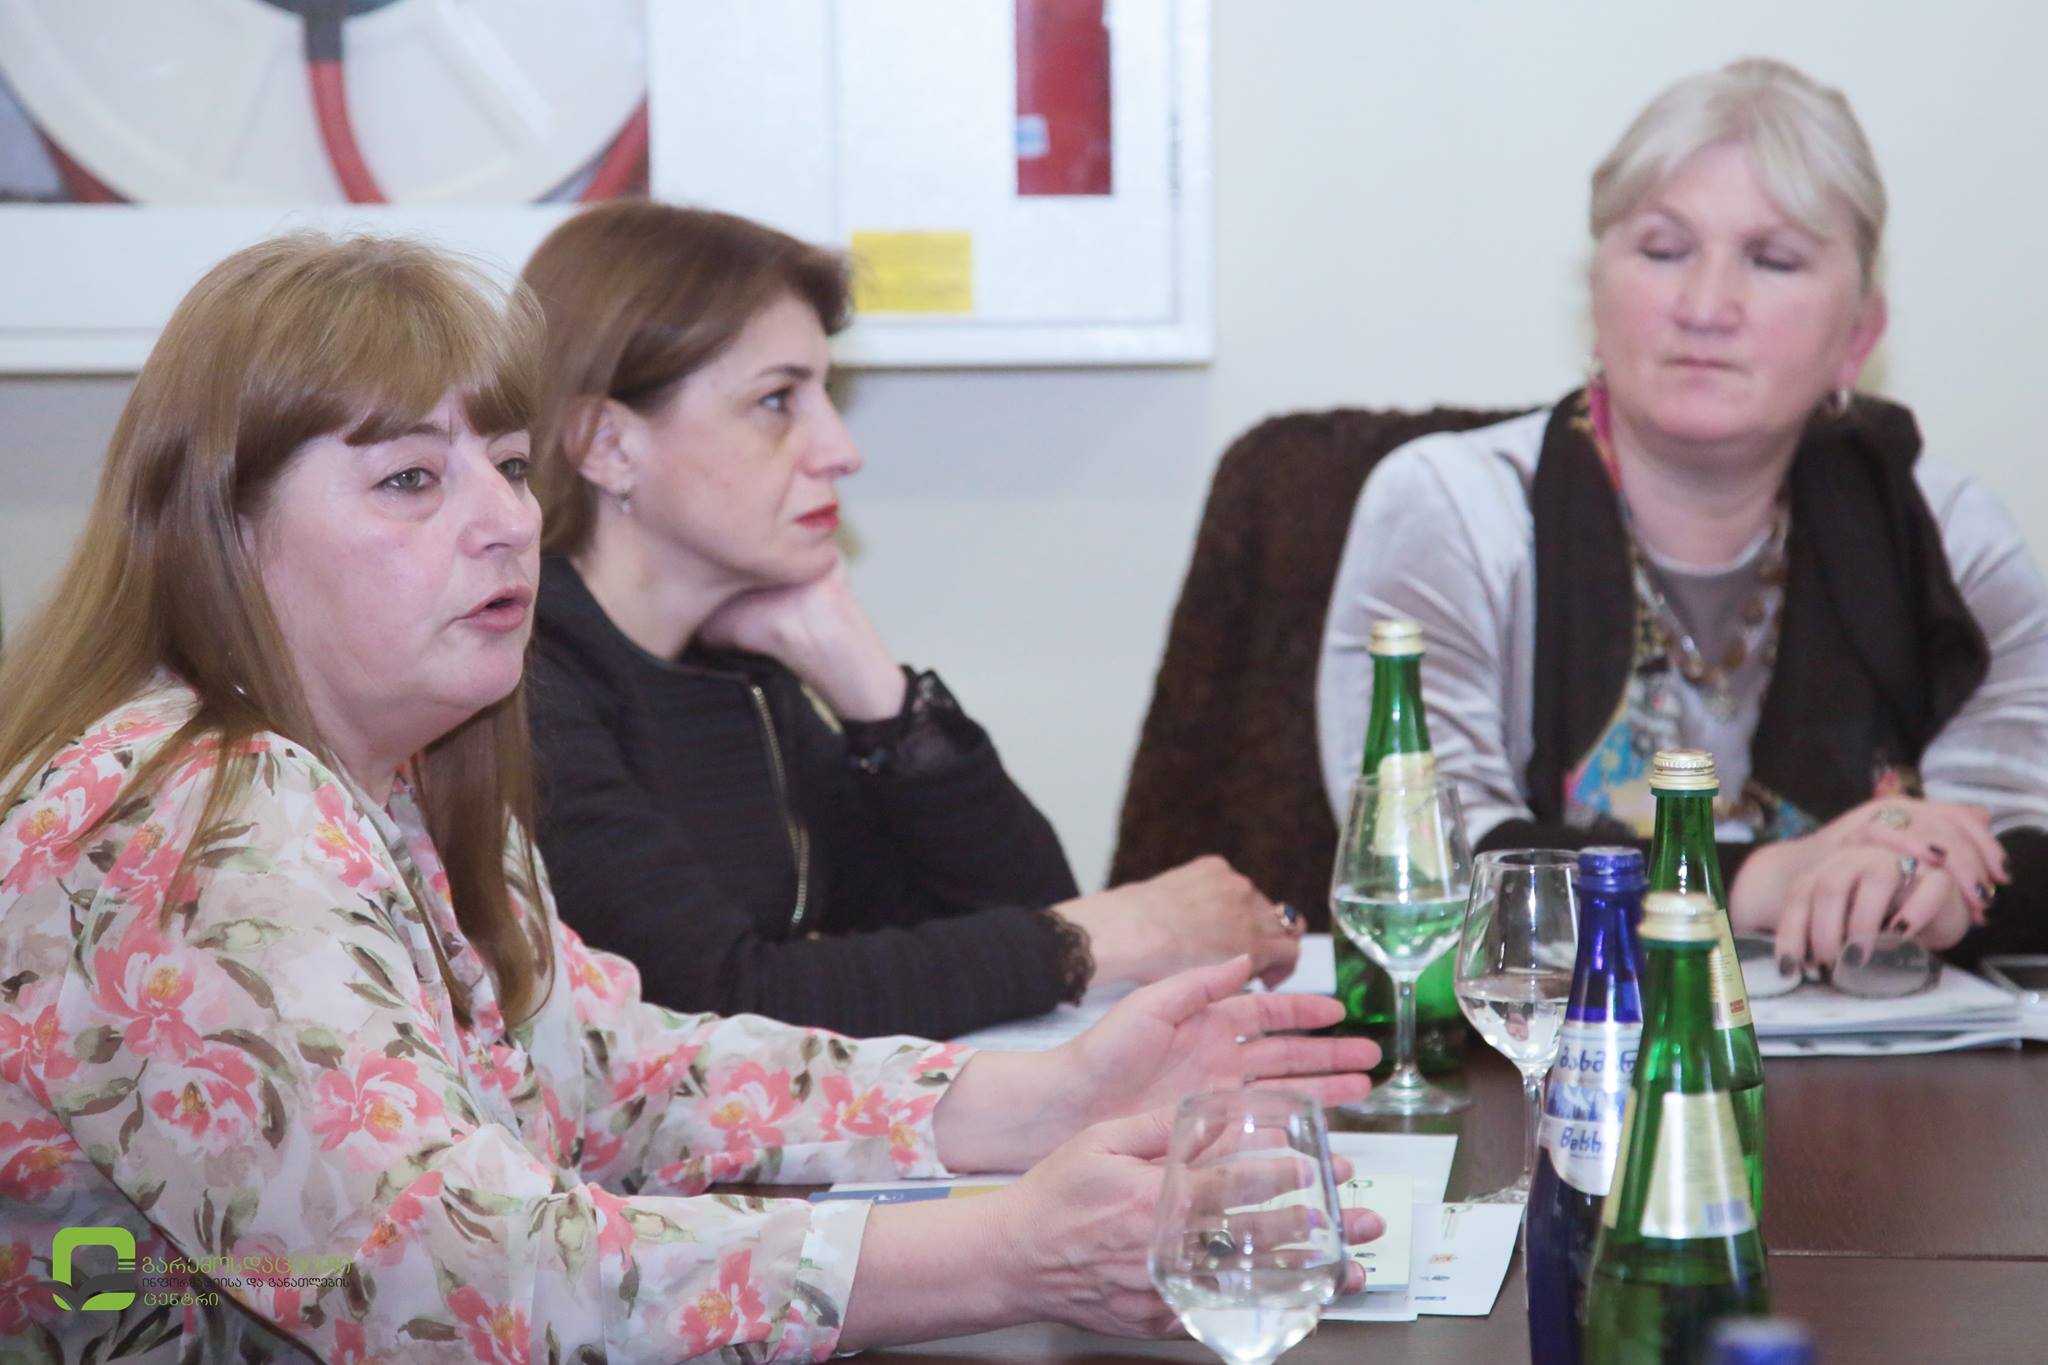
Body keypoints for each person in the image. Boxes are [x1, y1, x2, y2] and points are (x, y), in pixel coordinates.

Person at [0, 233, 1379, 1361]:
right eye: (412, 478)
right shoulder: (189, 819)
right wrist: (1003, 1251)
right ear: (224, 532)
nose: (505, 519)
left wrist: (1041, 1097)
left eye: (507, 466)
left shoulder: (402, 774)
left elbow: (620, 1078)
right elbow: (459, 1283)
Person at [1317, 57, 2048, 974]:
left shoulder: (1949, 536)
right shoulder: (1452, 511)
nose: (1705, 307)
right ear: (1595, 295)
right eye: (1663, 252)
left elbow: (2018, 837)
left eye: (1773, 260)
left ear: (1859, 336)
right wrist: (1761, 882)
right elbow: (1422, 870)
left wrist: (1932, 888)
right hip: (1543, 1057)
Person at [518, 201, 1303, 1038]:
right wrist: (1122, 931)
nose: (841, 450)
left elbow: (1016, 909)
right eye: (778, 400)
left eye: (823, 394)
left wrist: (872, 689)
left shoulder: (739, 667)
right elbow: (707, 1003)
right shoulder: (522, 679)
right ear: (606, 445)